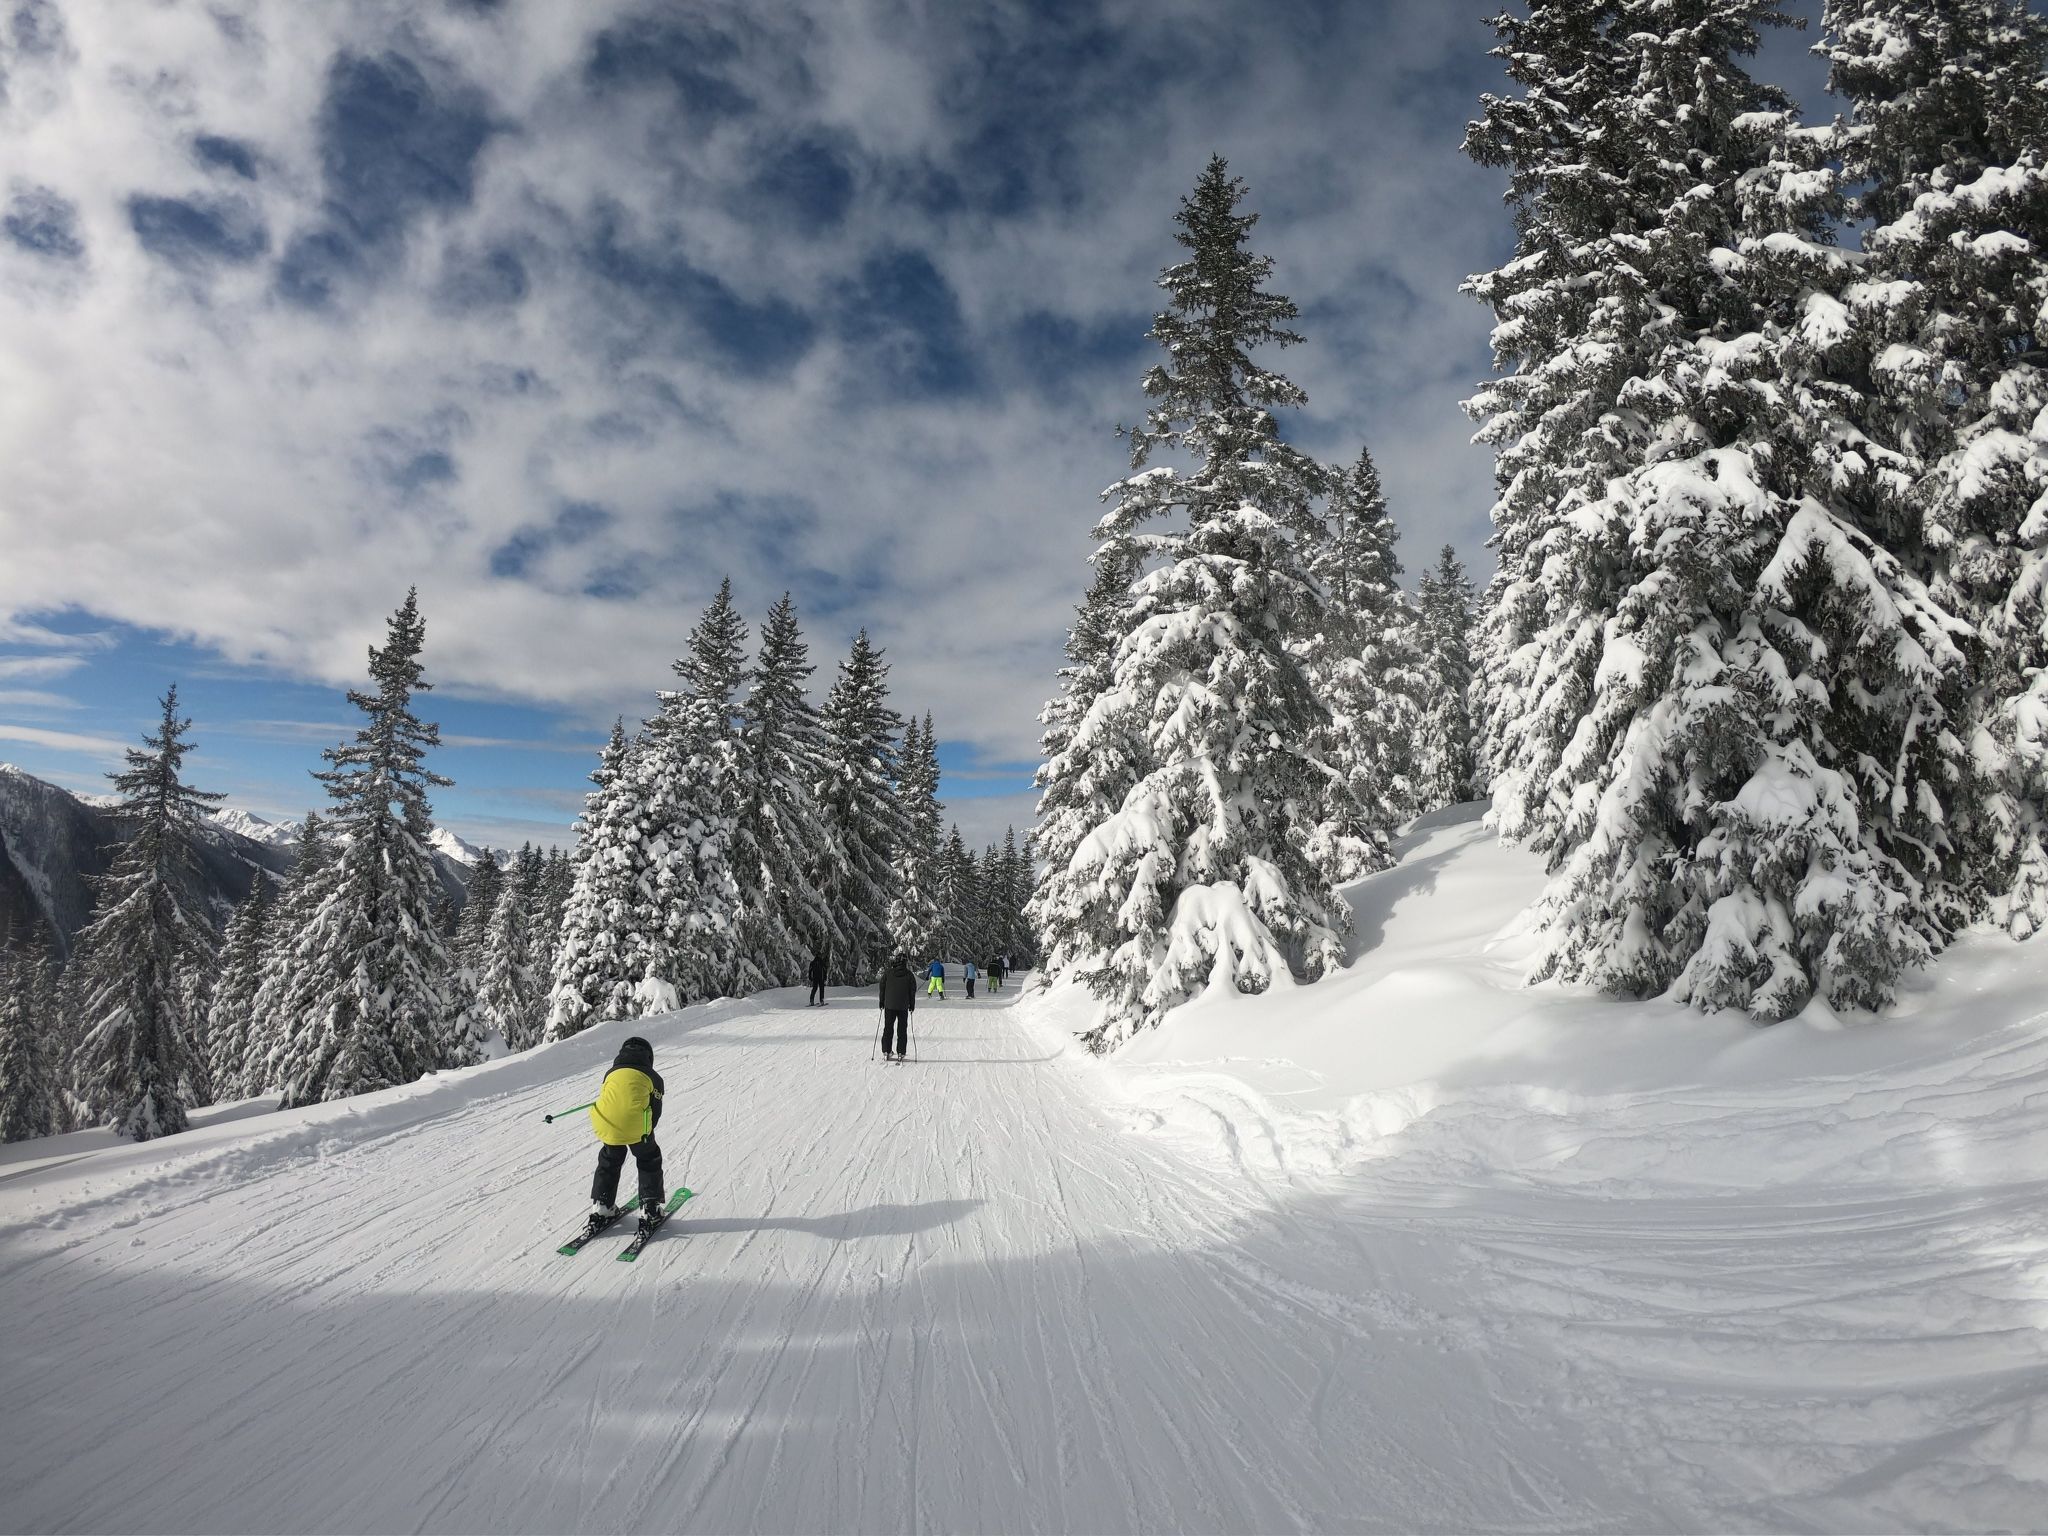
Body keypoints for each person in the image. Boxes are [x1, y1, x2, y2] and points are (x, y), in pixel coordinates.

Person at [588, 1035, 665, 1232]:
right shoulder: (653, 1077)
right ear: (649, 1057)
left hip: (606, 1122)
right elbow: (655, 1110)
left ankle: (602, 1207)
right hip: (636, 1125)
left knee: (610, 1159)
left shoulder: (611, 1072)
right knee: (649, 1158)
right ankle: (650, 1209)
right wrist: (647, 1132)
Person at [878, 953, 917, 1061]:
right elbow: (912, 991)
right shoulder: (909, 975)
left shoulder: (888, 973)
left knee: (888, 1028)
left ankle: (886, 1051)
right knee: (902, 1030)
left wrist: (881, 1002)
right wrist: (912, 1004)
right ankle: (901, 1052)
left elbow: (882, 987)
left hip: (889, 1005)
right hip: (903, 1006)